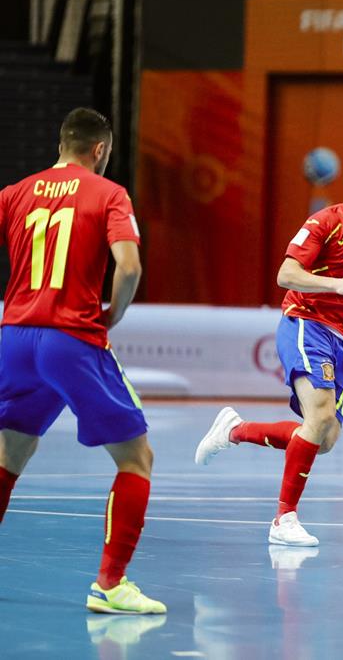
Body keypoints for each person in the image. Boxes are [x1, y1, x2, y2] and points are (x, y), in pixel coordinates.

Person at [194, 151, 343, 546]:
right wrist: (335, 285)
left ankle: (235, 430)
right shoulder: (325, 222)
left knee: (325, 438)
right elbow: (286, 274)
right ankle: (284, 520)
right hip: (306, 323)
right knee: (318, 418)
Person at [0, 108, 164, 614]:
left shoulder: (14, 193)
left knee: (9, 455)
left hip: (14, 336)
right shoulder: (108, 192)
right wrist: (112, 312)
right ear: (100, 150)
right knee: (137, 458)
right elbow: (130, 265)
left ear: (61, 142)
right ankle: (110, 585)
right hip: (71, 337)